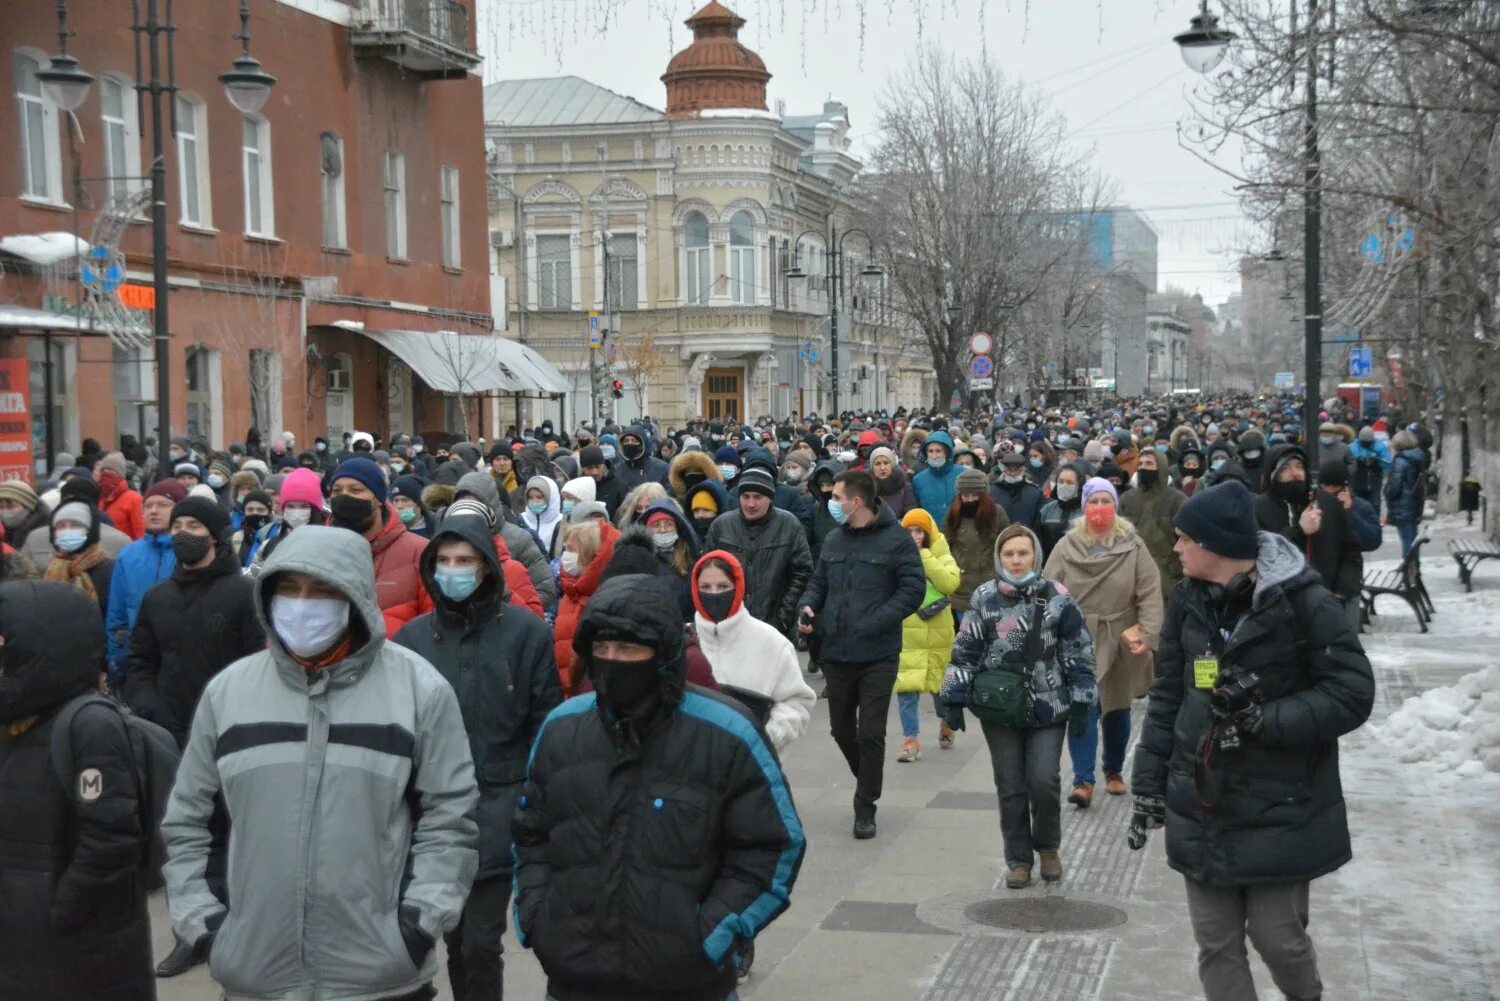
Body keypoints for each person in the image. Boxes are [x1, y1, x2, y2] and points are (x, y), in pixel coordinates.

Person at [161, 525, 479, 1001]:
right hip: (256, 976)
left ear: (354, 597)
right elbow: (189, 820)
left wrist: (415, 926)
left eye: (322, 590)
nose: (303, 604)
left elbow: (449, 819)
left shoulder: (418, 691)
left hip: (380, 978)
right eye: (289, 588)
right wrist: (207, 928)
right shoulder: (229, 693)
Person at [1129, 481, 1374, 1001]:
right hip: (1203, 797)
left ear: (1215, 545)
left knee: (1277, 937)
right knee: (1216, 945)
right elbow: (1168, 696)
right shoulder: (1188, 602)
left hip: (1279, 803)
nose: (1175, 549)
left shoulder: (1303, 601)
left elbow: (1352, 692)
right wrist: (1148, 783)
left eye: (1183, 539)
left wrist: (1266, 718)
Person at [512, 574, 805, 1001]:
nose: (612, 661)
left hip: (688, 984)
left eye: (629, 648)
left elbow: (774, 846)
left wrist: (709, 936)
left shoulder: (728, 733)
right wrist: (538, 919)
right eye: (602, 649)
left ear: (663, 654)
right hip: (576, 980)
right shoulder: (562, 729)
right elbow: (530, 835)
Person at [392, 513, 562, 1001]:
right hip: (430, 816)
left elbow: (543, 723)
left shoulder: (526, 633)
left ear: (486, 567)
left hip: (499, 809)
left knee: (480, 941)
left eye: (464, 560)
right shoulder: (413, 641)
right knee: (452, 938)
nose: (453, 569)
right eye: (443, 561)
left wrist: (531, 803)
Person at [0, 580, 156, 1001]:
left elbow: (109, 841)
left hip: (80, 951)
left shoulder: (91, 723)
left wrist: (60, 913)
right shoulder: (13, 722)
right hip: (19, 946)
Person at [941, 525, 1096, 888]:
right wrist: (953, 699)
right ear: (999, 557)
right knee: (1010, 785)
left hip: (1049, 705)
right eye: (1009, 554)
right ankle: (1019, 859)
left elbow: (1078, 650)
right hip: (1000, 710)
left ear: (1035, 557)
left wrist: (1082, 702)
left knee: (1044, 780)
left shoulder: (1058, 596)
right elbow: (965, 651)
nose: (1015, 560)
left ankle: (1048, 848)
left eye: (1023, 553)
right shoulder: (984, 597)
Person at [798, 470, 926, 838]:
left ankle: (865, 803)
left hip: (878, 652)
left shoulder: (897, 540)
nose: (831, 502)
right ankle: (867, 776)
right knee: (841, 730)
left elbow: (912, 589)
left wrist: (877, 620)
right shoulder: (835, 539)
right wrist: (807, 608)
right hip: (837, 651)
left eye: (837, 497)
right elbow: (818, 582)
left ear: (856, 502)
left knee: (871, 730)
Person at [1044, 478, 1163, 808]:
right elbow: (1048, 592)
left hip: (1120, 634)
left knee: (1116, 708)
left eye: (1105, 501)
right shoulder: (1066, 547)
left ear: (1115, 505)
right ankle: (1084, 780)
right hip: (1078, 637)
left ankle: (1114, 770)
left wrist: (1149, 634)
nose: (1099, 508)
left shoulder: (1132, 545)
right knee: (1083, 706)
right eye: (1093, 501)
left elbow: (1150, 592)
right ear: (1084, 507)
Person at [692, 550, 815, 749]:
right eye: (705, 587)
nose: (714, 594)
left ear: (738, 586)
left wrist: (765, 738)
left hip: (757, 770)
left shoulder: (771, 642)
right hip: (694, 770)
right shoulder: (682, 642)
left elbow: (798, 702)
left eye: (723, 586)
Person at [1253, 445, 1363, 625]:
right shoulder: (1259, 508)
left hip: (1329, 604)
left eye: (1299, 466)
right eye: (1286, 468)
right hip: (1282, 611)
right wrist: (1299, 530)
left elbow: (1350, 551)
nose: (1295, 473)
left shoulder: (1326, 502)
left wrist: (1343, 589)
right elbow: (1262, 556)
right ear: (1273, 473)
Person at [706, 465, 814, 639]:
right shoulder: (721, 526)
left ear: (770, 498)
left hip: (774, 630)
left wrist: (783, 616)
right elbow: (707, 574)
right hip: (729, 627)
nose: (750, 504)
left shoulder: (789, 525)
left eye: (758, 497)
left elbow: (802, 573)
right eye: (745, 496)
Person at [327, 456, 430, 634]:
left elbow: (434, 623)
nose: (344, 496)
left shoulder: (419, 552)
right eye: (337, 491)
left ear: (379, 498)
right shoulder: (318, 548)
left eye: (356, 490)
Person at [894, 509, 960, 763]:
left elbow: (949, 583)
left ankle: (947, 722)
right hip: (907, 630)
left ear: (929, 533)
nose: (914, 535)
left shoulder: (940, 553)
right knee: (906, 687)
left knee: (939, 686)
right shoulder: (895, 554)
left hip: (937, 631)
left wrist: (924, 556)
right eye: (909, 531)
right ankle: (911, 739)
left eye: (919, 531)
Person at [105, 478, 184, 686]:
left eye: (163, 505)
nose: (154, 511)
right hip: (138, 661)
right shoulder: (129, 555)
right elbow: (117, 614)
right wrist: (115, 661)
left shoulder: (189, 551)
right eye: (148, 506)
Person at [553, 518, 621, 695]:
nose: (565, 556)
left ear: (591, 554)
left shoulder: (607, 599)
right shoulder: (570, 594)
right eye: (564, 549)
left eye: (570, 550)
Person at [1120, 448, 1189, 594]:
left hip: (1169, 581)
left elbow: (1188, 541)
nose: (1143, 467)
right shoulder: (1127, 499)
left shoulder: (1177, 500)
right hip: (1132, 577)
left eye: (1149, 463)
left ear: (1161, 468)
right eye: (1140, 464)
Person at [42, 500, 115, 623]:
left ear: (91, 530)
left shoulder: (109, 569)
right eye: (60, 526)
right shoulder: (49, 568)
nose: (67, 530)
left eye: (76, 525)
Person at [245, 466, 325, 573]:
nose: (297, 512)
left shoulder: (329, 545)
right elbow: (255, 579)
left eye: (304, 506)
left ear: (314, 510)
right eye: (291, 506)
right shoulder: (270, 545)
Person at [641, 500, 701, 621]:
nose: (663, 530)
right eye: (656, 525)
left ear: (677, 528)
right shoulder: (640, 559)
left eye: (669, 524)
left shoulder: (692, 558)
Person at [1385, 429, 1425, 556]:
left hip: (1402, 504)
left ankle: (1409, 570)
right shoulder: (1417, 458)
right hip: (1414, 503)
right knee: (1413, 538)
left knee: (1407, 540)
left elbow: (1394, 485)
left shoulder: (1400, 461)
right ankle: (1414, 569)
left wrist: (1387, 493)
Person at [912, 430, 962, 522]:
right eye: (930, 451)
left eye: (938, 451)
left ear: (947, 453)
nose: (934, 456)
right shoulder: (918, 480)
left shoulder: (963, 474)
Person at [97, 450, 145, 540]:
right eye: (103, 470)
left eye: (110, 470)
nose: (106, 473)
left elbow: (140, 534)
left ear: (119, 474)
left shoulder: (134, 499)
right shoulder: (98, 497)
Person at [990, 451, 1044, 530]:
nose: (1012, 474)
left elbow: (1038, 522)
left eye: (1016, 470)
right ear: (1004, 470)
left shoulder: (1035, 492)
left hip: (1025, 537)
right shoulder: (993, 490)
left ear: (1023, 471)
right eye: (1009, 470)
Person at [612, 423, 671, 491]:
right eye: (626, 441)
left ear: (642, 443)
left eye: (634, 440)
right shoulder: (616, 470)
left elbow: (668, 495)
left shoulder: (661, 468)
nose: (630, 443)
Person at [1348, 424, 1391, 517]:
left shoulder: (1380, 447)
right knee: (1358, 508)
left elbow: (1387, 463)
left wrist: (1376, 460)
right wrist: (1358, 459)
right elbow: (1348, 462)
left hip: (1374, 482)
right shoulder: (1353, 447)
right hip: (1358, 482)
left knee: (1375, 506)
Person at [520, 474, 566, 558]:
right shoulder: (522, 520)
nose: (534, 501)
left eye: (539, 497)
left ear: (550, 497)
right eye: (530, 497)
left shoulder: (561, 522)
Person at [578, 444, 627, 520]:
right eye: (589, 468)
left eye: (598, 467)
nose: (595, 472)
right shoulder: (577, 487)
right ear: (582, 469)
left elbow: (624, 517)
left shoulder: (618, 486)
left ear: (603, 465)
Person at [870, 445, 919, 520]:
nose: (882, 468)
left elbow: (911, 516)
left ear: (892, 465)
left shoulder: (904, 487)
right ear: (872, 467)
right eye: (878, 464)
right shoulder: (865, 488)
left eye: (886, 463)